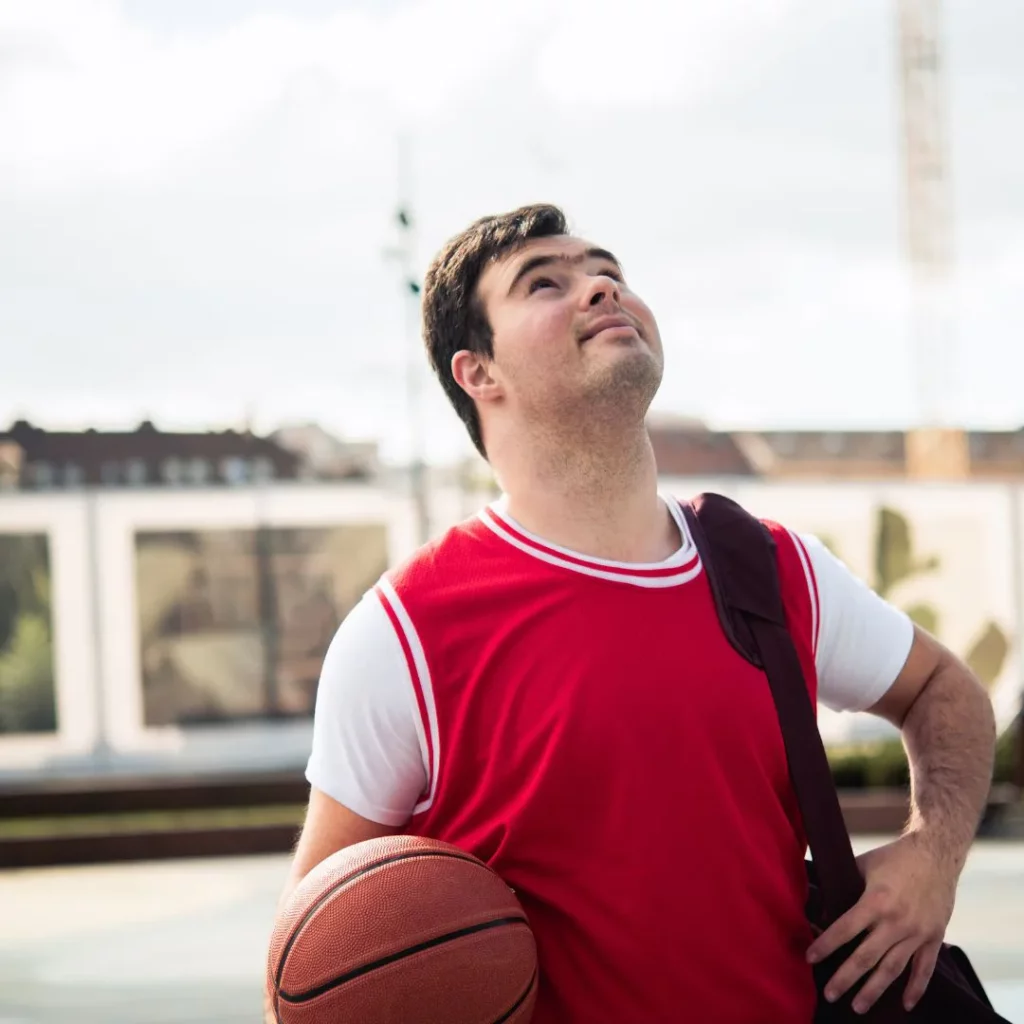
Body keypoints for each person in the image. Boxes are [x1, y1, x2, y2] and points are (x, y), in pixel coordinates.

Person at [267, 204, 996, 1023]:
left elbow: (946, 690)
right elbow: (317, 953)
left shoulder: (772, 565)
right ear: (479, 373)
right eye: (546, 282)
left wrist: (934, 856)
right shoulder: (405, 631)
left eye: (605, 269)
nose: (600, 286)